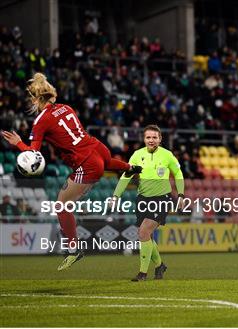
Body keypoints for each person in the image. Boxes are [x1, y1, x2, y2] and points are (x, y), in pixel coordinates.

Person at [1, 73, 141, 271]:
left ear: (35, 99)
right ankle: (130, 169)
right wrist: (127, 167)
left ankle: (73, 249)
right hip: (98, 148)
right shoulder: (66, 108)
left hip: (86, 163)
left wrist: (18, 143)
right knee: (103, 167)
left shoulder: (41, 121)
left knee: (61, 205)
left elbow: (33, 154)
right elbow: (104, 161)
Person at [112, 125, 184, 282]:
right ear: (144, 139)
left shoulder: (167, 155)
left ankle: (142, 273)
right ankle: (159, 265)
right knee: (146, 235)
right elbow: (126, 175)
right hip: (143, 199)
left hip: (162, 199)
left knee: (143, 232)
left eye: (154, 137)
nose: (151, 140)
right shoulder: (137, 155)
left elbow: (178, 173)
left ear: (160, 139)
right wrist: (116, 195)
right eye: (148, 137)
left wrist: (181, 194)